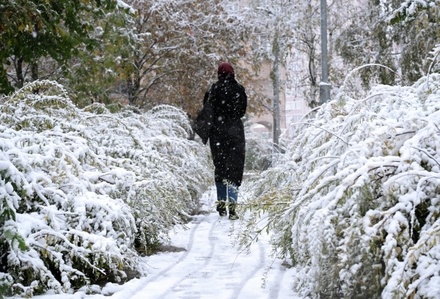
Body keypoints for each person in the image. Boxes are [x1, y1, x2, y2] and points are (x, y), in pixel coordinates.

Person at [194, 62, 247, 220]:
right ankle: (232, 207)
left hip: (217, 133)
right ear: (233, 74)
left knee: (221, 168)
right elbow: (242, 111)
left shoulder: (213, 90)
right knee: (235, 169)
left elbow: (207, 109)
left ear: (219, 74)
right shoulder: (239, 90)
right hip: (236, 133)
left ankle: (222, 204)